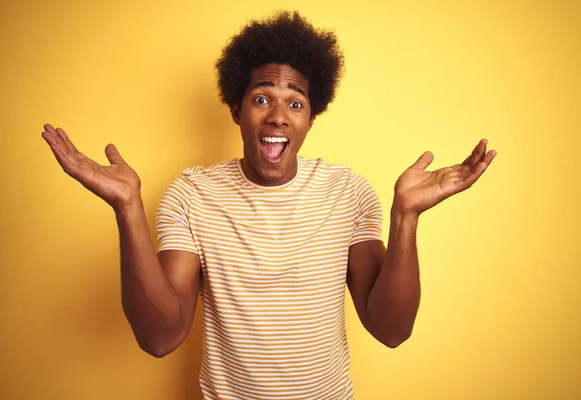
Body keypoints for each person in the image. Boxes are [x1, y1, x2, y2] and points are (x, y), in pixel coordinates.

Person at [41, 10, 496, 400]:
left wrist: (405, 218)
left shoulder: (348, 192)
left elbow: (391, 329)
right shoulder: (191, 195)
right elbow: (160, 338)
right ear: (237, 110)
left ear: (310, 118)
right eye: (262, 98)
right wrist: (128, 208)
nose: (278, 115)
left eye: (295, 103)